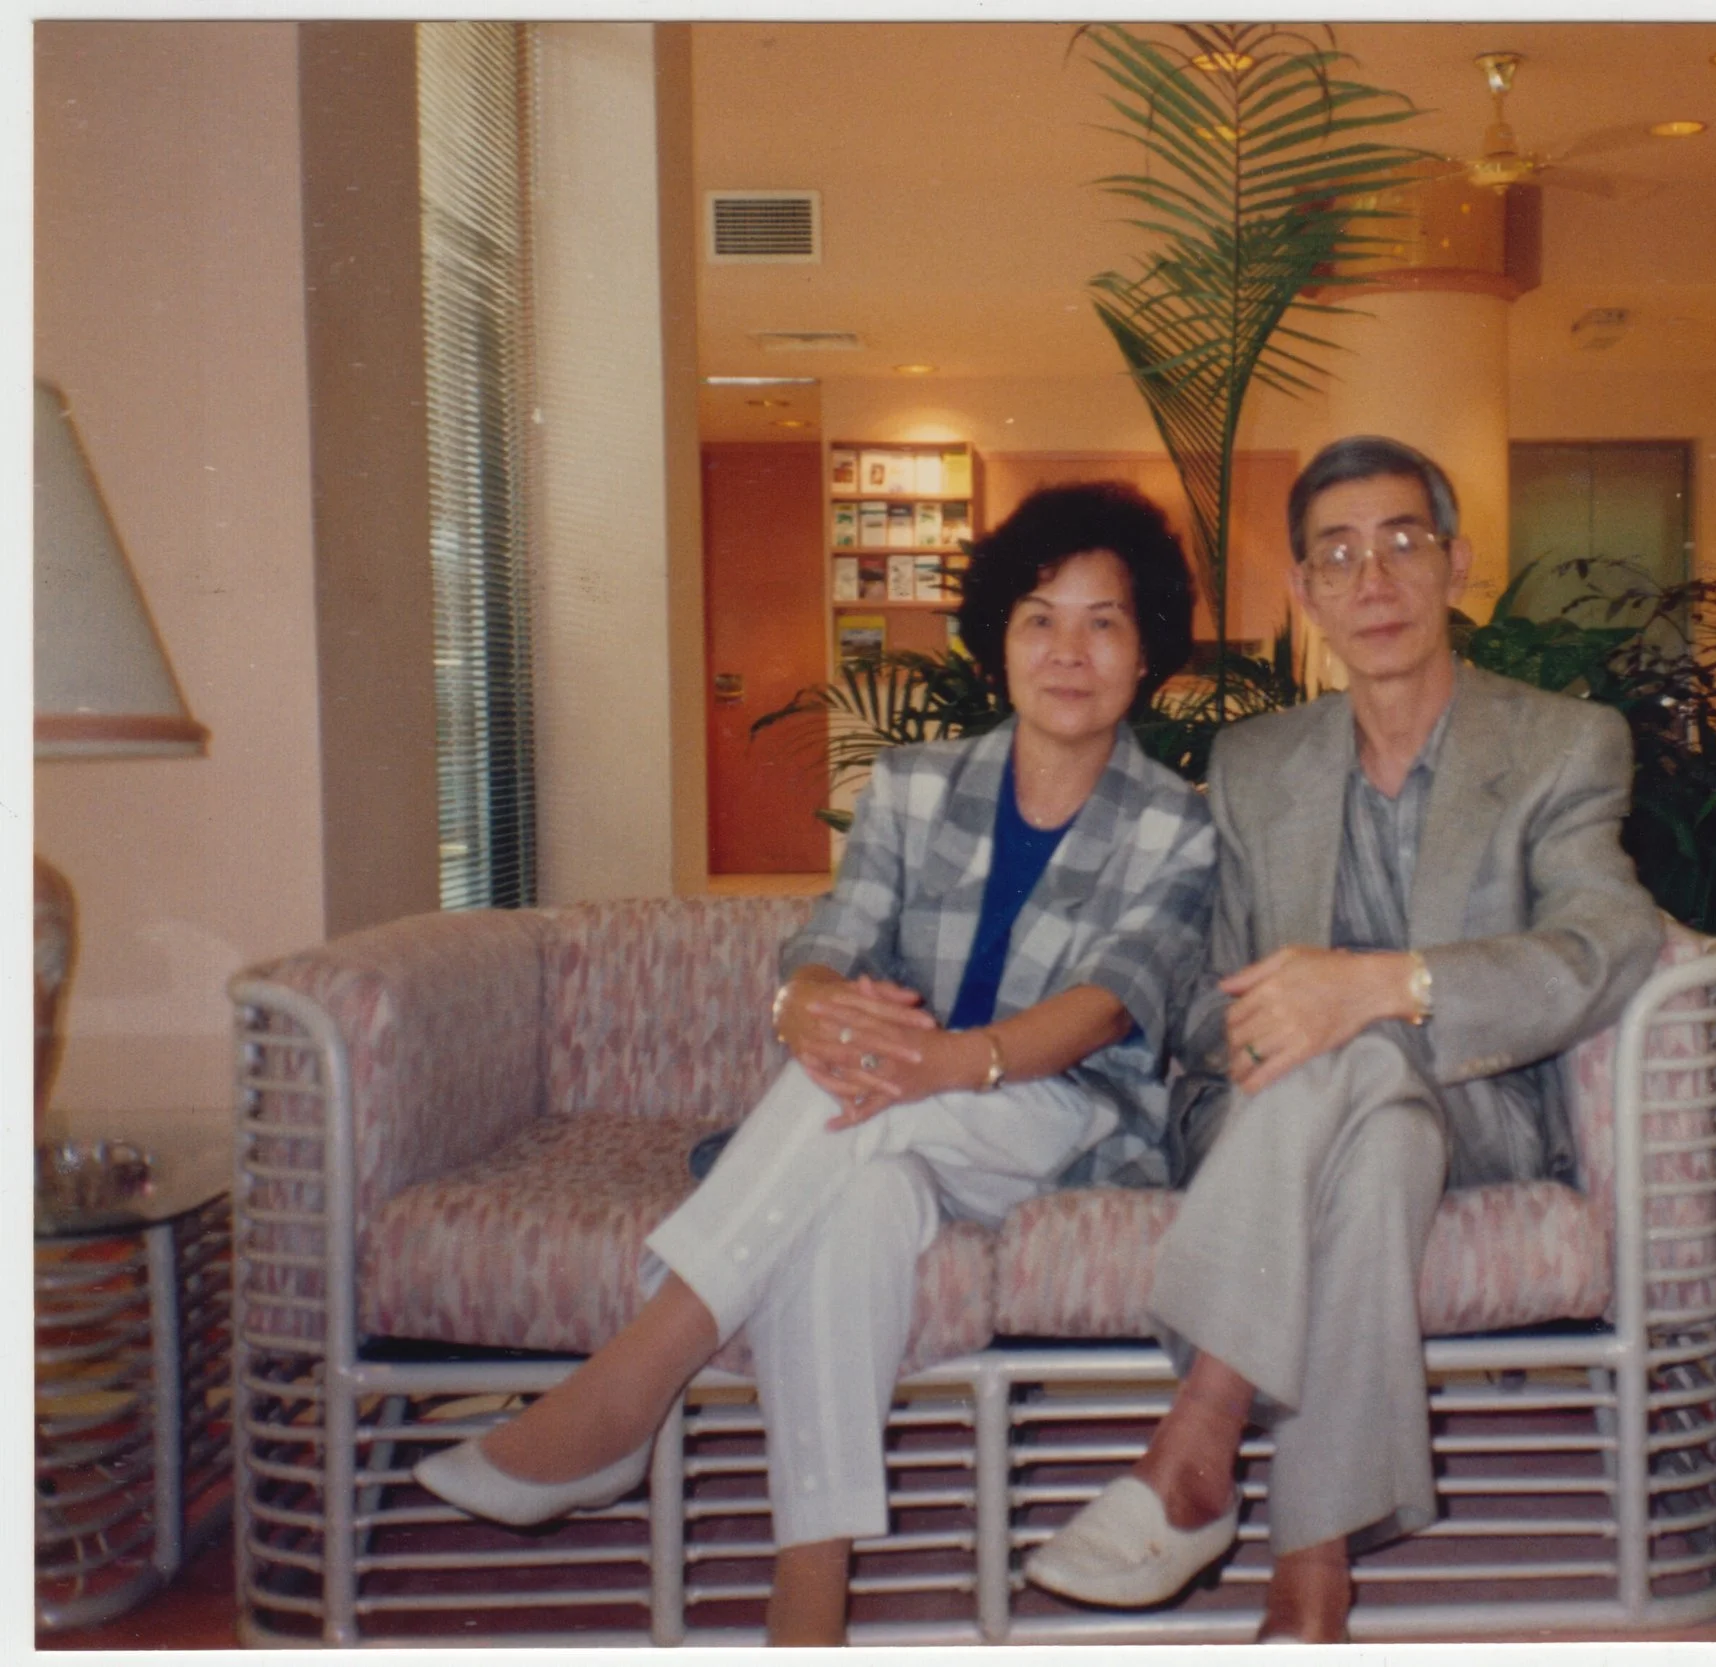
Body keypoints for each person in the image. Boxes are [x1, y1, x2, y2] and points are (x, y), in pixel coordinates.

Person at [415, 482, 1216, 1646]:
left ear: (1145, 655)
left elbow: (1105, 1006)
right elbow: (832, 937)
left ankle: (630, 1383)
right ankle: (809, 1605)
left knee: (863, 1099)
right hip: (891, 1109)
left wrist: (948, 1058)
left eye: (1104, 622)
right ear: (998, 640)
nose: (1068, 649)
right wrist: (809, 1005)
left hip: (1063, 1116)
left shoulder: (1176, 822)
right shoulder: (914, 785)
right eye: (1040, 617)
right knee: (862, 1195)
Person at [1023, 436, 1665, 1642]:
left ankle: (1200, 1435)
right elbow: (1200, 986)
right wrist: (1275, 1031)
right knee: (1358, 1110)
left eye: (1401, 543)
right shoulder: (1255, 761)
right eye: (1337, 554)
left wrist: (1385, 985)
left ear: (1455, 565)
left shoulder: (1561, 743)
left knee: (1365, 1048)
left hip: (1477, 1105)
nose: (1372, 579)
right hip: (1264, 1106)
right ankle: (1309, 1571)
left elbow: (1608, 941)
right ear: (1305, 590)